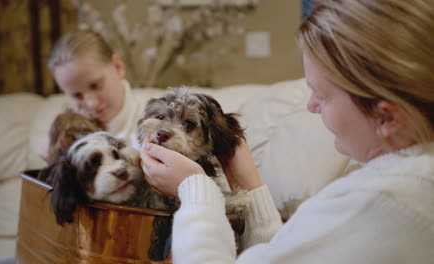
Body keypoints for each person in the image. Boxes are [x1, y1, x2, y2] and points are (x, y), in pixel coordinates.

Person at [139, 0, 434, 262]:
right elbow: (277, 255)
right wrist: (251, 186)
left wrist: (194, 188)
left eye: (322, 95)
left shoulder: (379, 206)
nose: (310, 106)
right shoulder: (406, 180)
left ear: (386, 117)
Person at [41, 30, 146, 161]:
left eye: (95, 85)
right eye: (77, 95)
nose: (92, 104)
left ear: (118, 67)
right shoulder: (65, 134)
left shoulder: (152, 123)